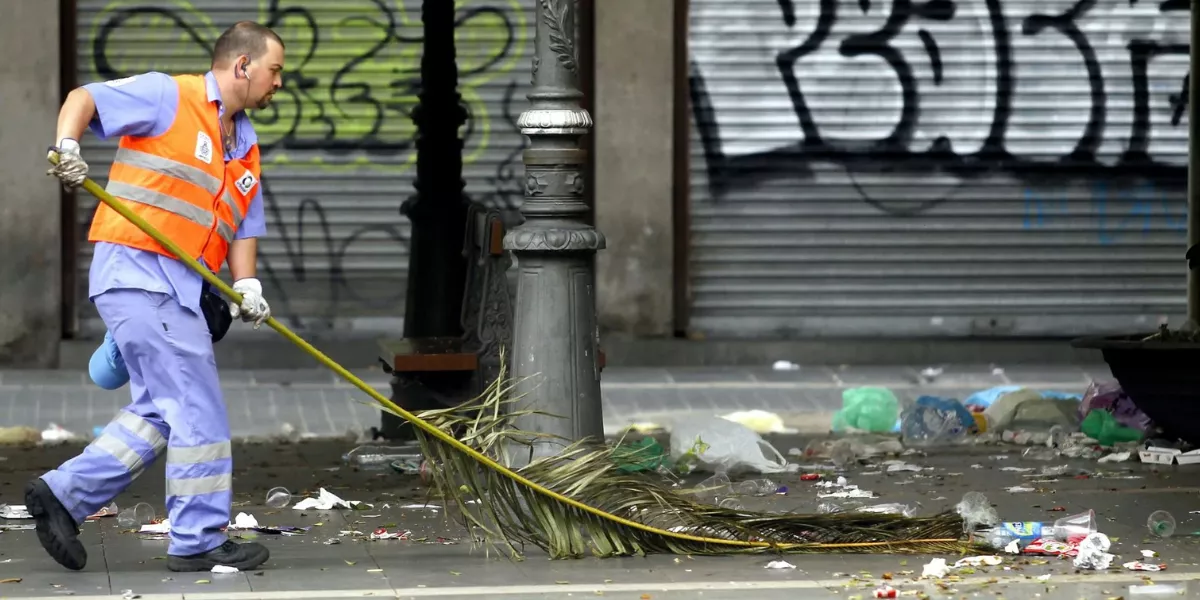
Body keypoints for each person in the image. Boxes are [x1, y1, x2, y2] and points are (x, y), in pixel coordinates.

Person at [33, 21, 285, 573]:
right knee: (198, 407)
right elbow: (84, 98)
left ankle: (62, 495)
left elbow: (244, 226)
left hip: (178, 292)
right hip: (140, 275)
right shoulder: (171, 95)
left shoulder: (244, 145)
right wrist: (68, 145)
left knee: (161, 412)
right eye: (275, 71)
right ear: (242, 66)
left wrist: (247, 285)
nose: (279, 84)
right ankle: (197, 539)